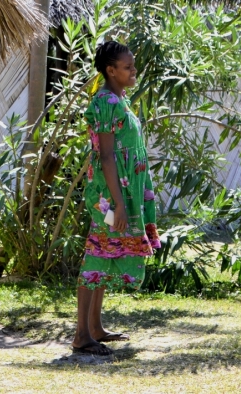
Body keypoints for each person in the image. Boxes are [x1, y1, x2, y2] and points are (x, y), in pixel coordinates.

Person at [72, 41, 161, 355]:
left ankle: (95, 328)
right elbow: (107, 157)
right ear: (110, 70)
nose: (133, 70)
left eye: (133, 65)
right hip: (108, 198)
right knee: (97, 252)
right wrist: (118, 202)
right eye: (127, 66)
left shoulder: (119, 100)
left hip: (118, 193)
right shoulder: (106, 101)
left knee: (107, 252)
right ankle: (82, 335)